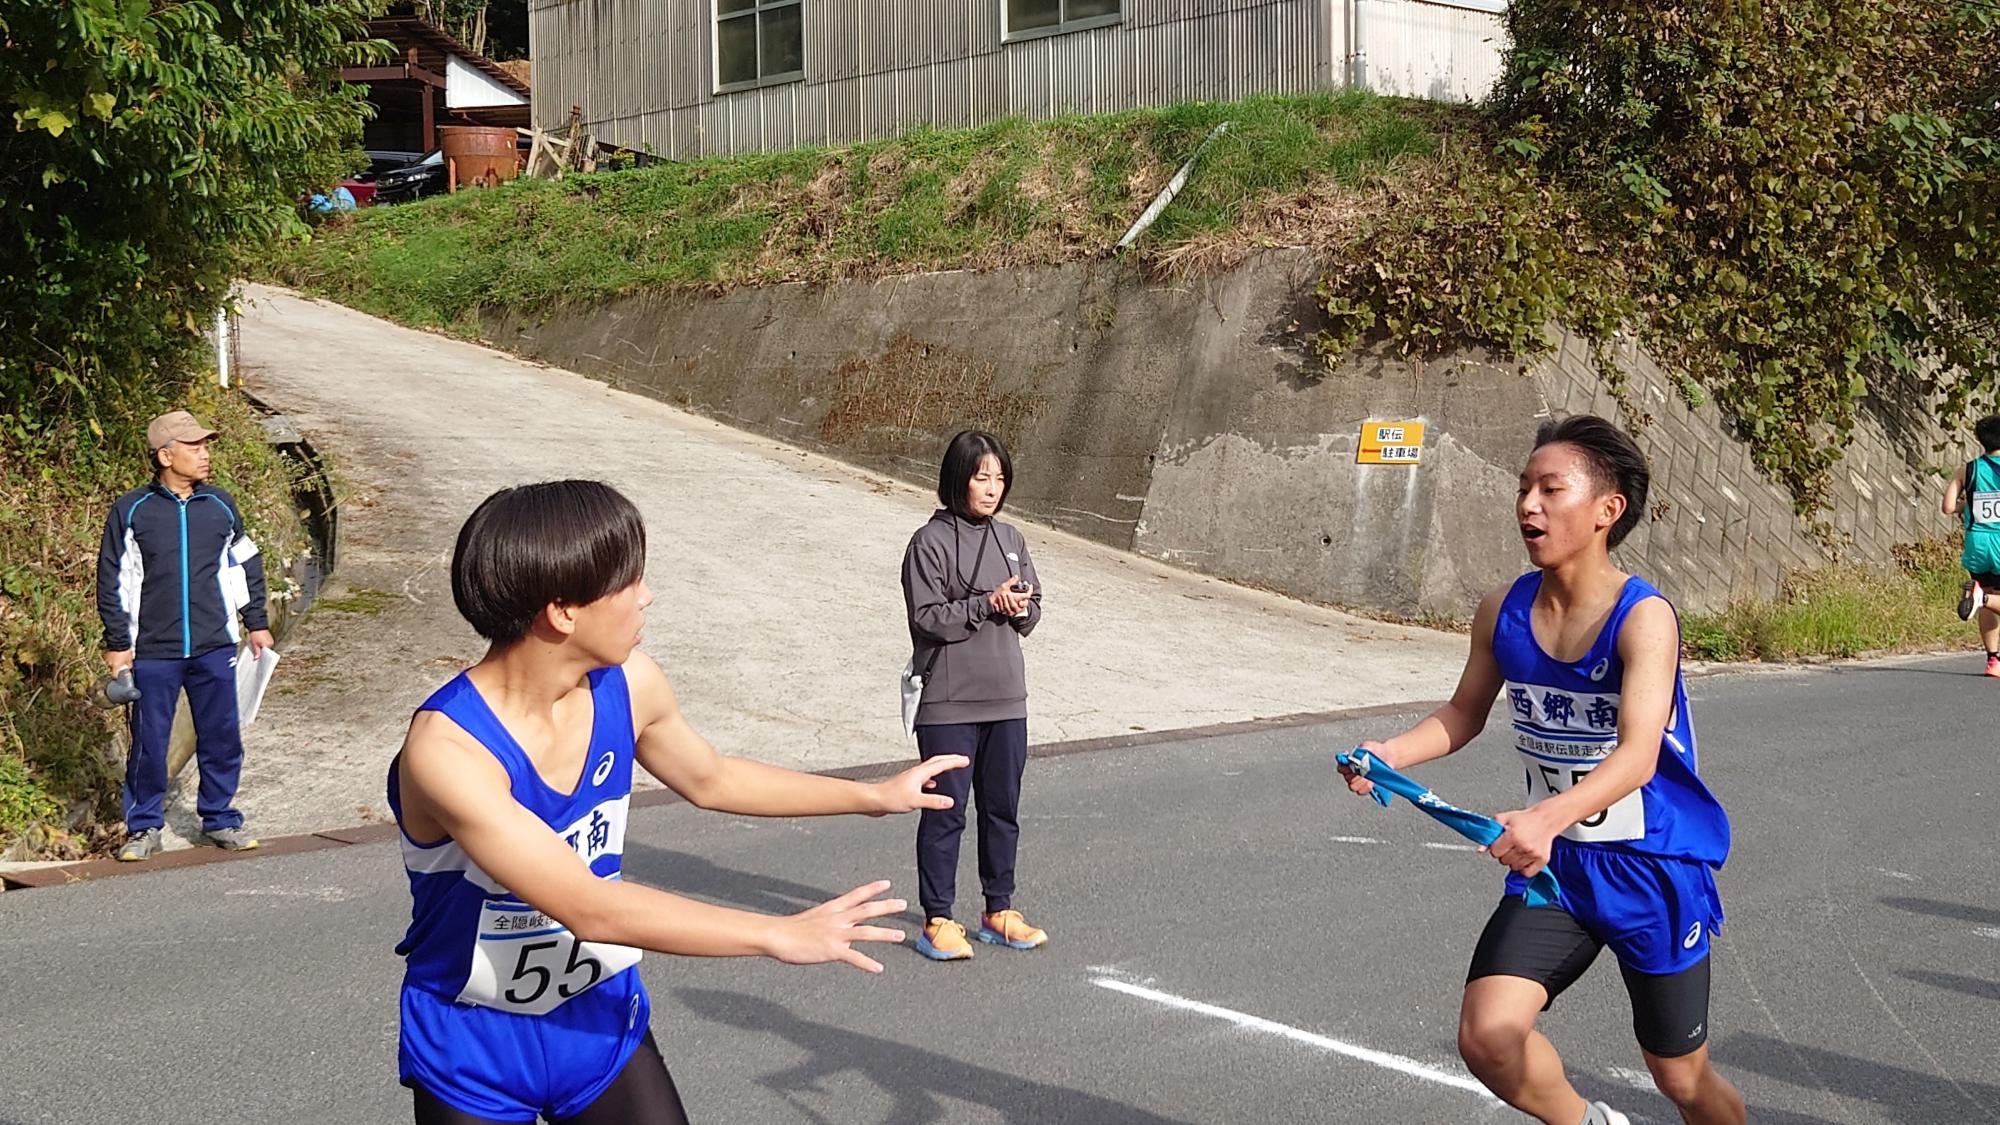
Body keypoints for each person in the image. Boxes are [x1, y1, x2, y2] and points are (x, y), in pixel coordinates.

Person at [391, 480, 968, 1125]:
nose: (648, 595)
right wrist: (777, 933)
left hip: (600, 1025)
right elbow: (592, 908)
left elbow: (712, 778)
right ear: (563, 611)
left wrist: (872, 795)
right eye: (628, 582)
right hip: (474, 1054)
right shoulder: (448, 750)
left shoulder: (630, 684)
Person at [1339, 415, 1744, 1125]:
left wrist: (1546, 816)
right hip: (1558, 868)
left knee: (1682, 1079)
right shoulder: (1503, 609)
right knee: (1488, 1036)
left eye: (1550, 489)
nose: (1528, 504)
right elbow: (1464, 711)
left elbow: (1638, 754)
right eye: (1524, 488)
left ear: (1605, 511)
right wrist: (1388, 754)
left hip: (1653, 869)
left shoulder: (1643, 617)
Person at [96, 409, 272, 861]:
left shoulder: (220, 505)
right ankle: (143, 826)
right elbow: (113, 579)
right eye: (195, 447)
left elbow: (245, 563)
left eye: (205, 446)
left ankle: (220, 818)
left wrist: (257, 622)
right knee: (149, 742)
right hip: (153, 649)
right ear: (165, 455)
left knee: (221, 735)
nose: (205, 455)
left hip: (215, 643)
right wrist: (118, 645)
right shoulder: (132, 510)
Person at [900, 430, 1046, 962]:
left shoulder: (1012, 538)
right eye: (982, 477)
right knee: (946, 811)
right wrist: (986, 604)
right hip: (948, 701)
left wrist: (1021, 606)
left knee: (1002, 808)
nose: (991, 488)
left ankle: (998, 910)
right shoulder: (929, 542)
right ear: (957, 478)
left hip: (1007, 698)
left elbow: (1033, 611)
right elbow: (927, 618)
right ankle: (937, 918)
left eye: (1000, 478)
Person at [1940, 413, 2000, 677]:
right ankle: (1981, 597)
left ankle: (1993, 661)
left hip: (1977, 542)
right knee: (1987, 597)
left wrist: (1968, 505)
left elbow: (1948, 506)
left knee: (1987, 597)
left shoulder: (1968, 469)